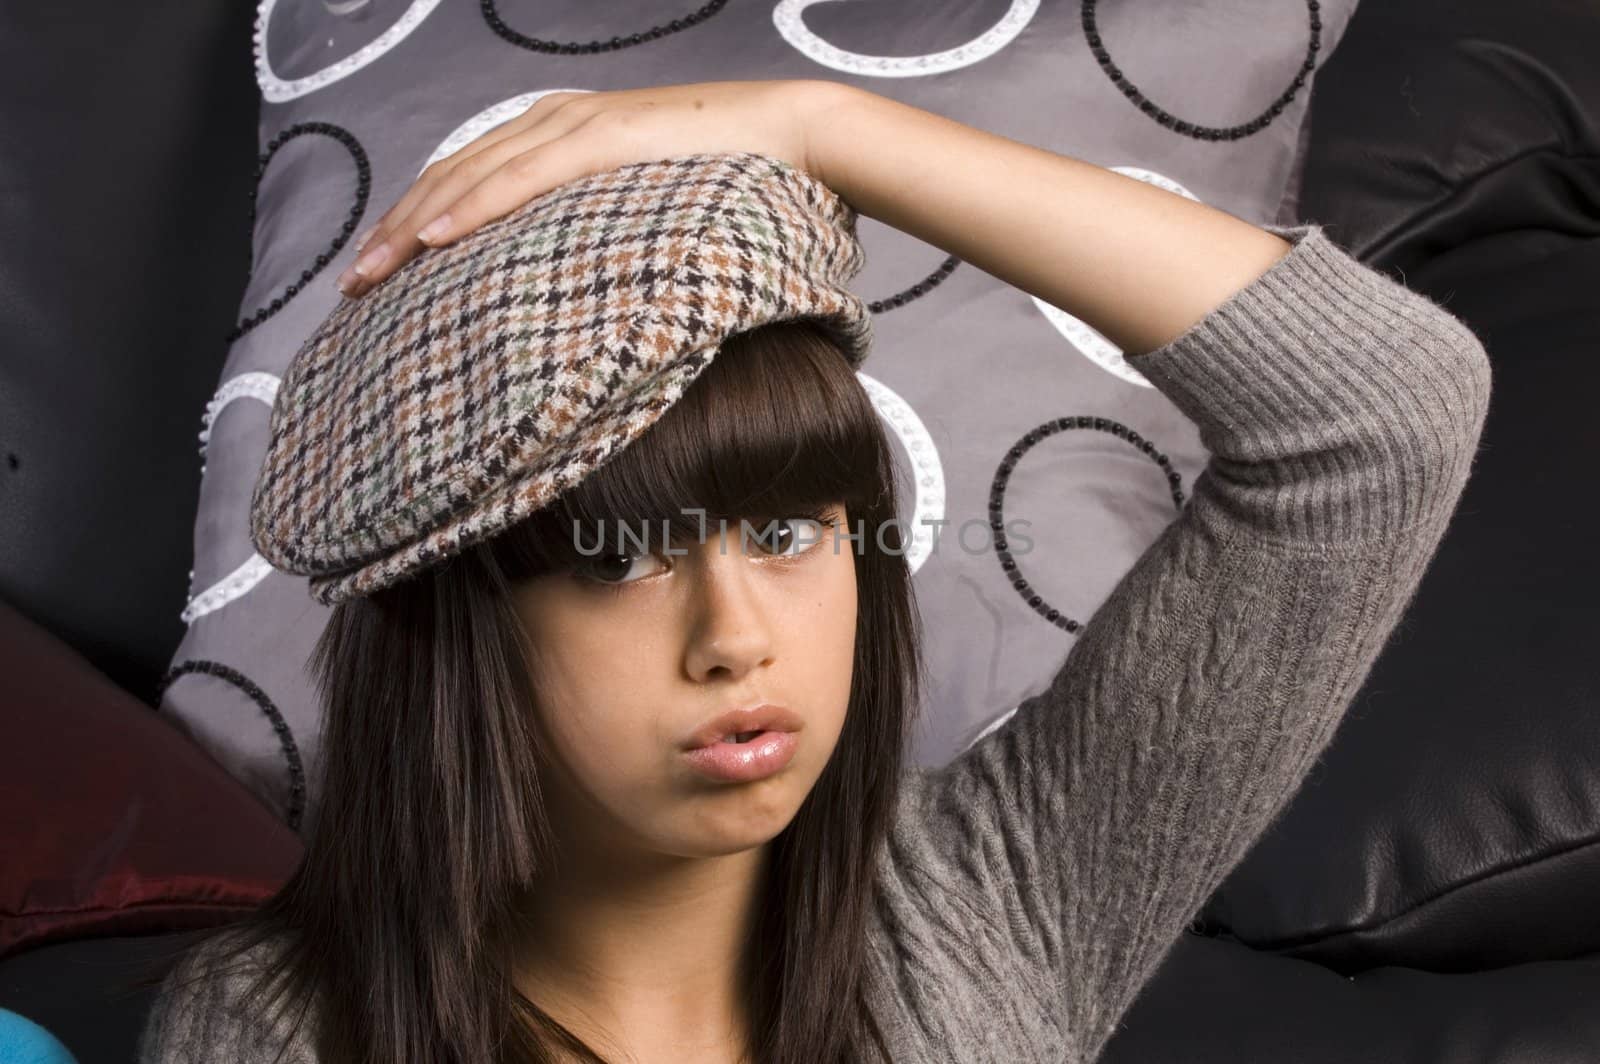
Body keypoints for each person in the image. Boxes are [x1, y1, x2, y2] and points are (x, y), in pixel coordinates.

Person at [137, 80, 1493, 1063]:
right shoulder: (277, 1030)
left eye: (789, 534)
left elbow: (1380, 416)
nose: (735, 639)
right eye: (615, 561)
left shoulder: (988, 898)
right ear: (460, 627)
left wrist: (823, 129)